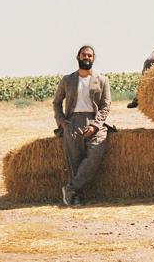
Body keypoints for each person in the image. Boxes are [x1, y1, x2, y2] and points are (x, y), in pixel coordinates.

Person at [53, 45, 111, 206]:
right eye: (84, 55)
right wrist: (62, 122)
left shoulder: (103, 80)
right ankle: (74, 196)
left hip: (95, 122)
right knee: (75, 161)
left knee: (95, 155)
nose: (87, 57)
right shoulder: (67, 80)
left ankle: (70, 188)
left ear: (93, 59)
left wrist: (95, 125)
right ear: (78, 57)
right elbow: (57, 102)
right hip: (72, 122)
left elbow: (106, 105)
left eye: (90, 55)